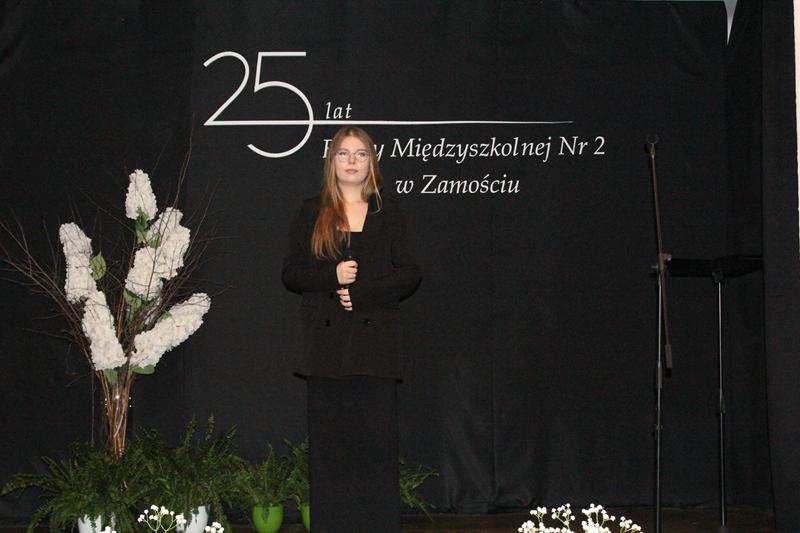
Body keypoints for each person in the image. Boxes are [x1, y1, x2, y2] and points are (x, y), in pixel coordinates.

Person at [282, 126, 421, 533]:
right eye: (344, 153)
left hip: (375, 348)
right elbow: (290, 274)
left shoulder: (389, 212)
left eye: (361, 154)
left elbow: (411, 273)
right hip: (326, 351)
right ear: (332, 162)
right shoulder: (312, 210)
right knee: (330, 453)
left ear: (371, 163)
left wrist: (362, 294)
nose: (352, 161)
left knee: (375, 450)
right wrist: (332, 276)